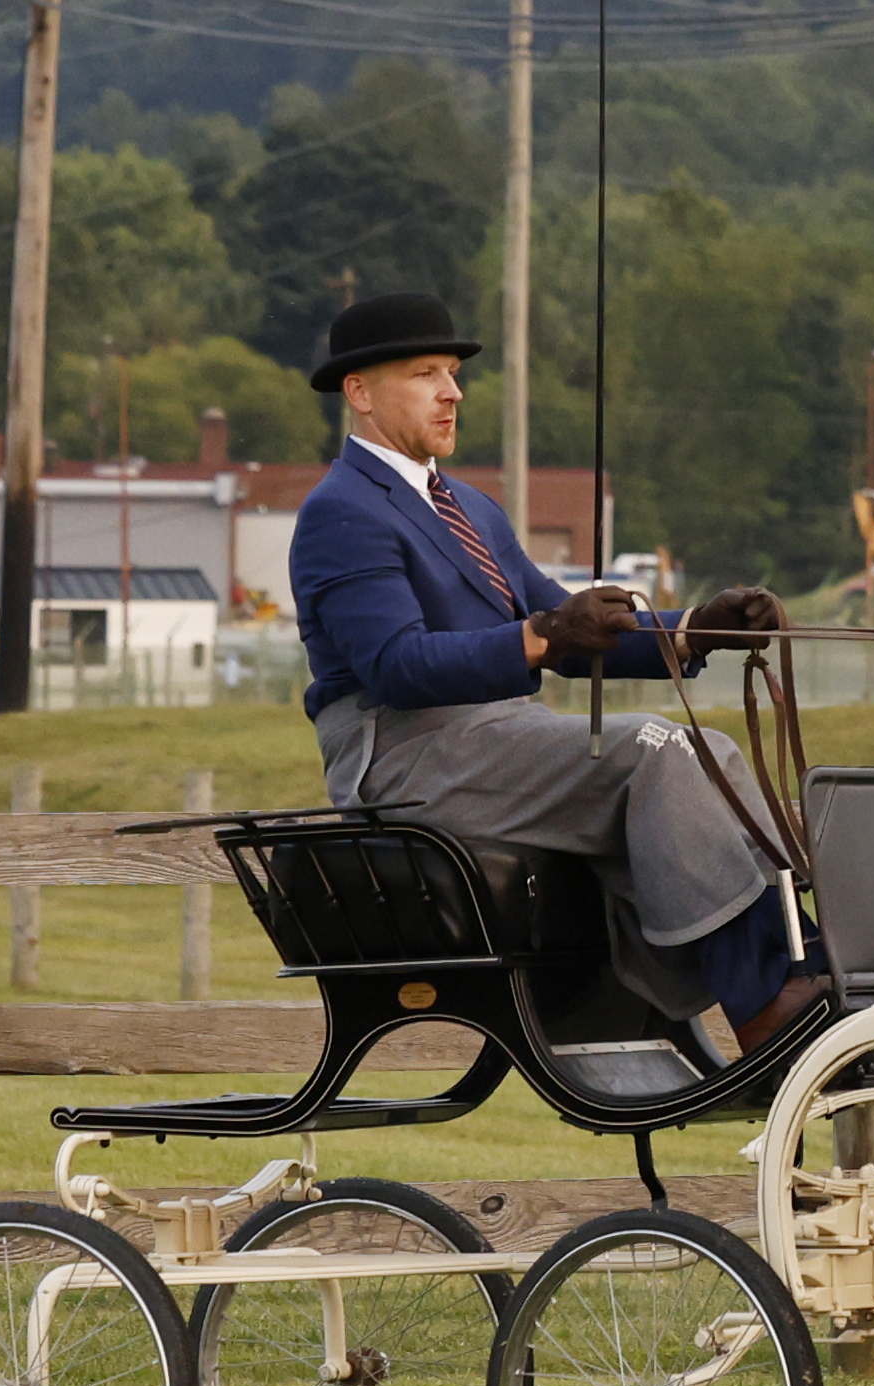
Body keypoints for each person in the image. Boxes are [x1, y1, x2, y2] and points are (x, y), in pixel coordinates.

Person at [288, 291, 827, 1051]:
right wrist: (542, 633)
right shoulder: (341, 512)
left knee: (711, 751)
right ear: (360, 392)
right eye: (425, 374)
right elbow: (397, 667)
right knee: (653, 748)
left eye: (452, 372)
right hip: (406, 753)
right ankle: (764, 1000)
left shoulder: (469, 507)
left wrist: (693, 629)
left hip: (503, 737)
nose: (452, 391)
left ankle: (811, 957)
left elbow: (572, 632)